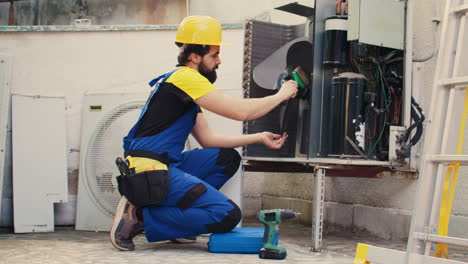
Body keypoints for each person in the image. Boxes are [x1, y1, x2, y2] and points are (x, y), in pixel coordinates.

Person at [110, 15, 298, 251]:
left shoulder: (184, 85)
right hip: (150, 172)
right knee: (228, 215)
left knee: (226, 158)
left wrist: (259, 137)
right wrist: (281, 95)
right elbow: (240, 111)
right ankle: (139, 216)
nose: (219, 61)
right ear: (194, 56)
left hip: (165, 166)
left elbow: (208, 140)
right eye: (214, 54)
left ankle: (176, 225)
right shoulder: (186, 78)